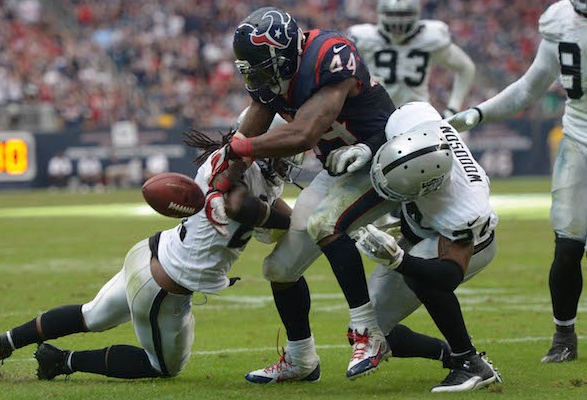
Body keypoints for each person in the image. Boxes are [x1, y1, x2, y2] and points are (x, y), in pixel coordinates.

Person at [0, 127, 298, 382]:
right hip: (163, 288)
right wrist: (299, 220)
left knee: (90, 315)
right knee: (163, 369)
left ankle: (0, 342)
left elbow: (264, 210)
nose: (288, 162)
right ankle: (62, 361)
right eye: (285, 153)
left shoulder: (231, 162)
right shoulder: (240, 185)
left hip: (151, 252)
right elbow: (244, 207)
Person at [207, 7, 398, 382]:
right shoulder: (269, 77)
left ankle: (368, 332)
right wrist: (222, 182)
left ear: (285, 53)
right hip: (338, 169)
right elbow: (253, 125)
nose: (257, 74)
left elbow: (304, 134)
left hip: (383, 159)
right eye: (251, 67)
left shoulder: (330, 55)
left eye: (263, 64)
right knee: (278, 269)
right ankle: (301, 359)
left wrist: (241, 151)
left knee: (325, 223)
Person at [446, 0, 587, 363]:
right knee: (567, 248)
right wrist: (480, 112)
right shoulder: (560, 19)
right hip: (579, 139)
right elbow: (530, 86)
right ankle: (564, 336)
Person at [350, 101, 502, 392]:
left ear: (428, 187)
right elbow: (400, 116)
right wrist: (367, 150)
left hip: (474, 246)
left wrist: (398, 260)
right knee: (366, 333)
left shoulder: (464, 208)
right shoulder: (413, 123)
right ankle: (448, 353)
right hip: (429, 232)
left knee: (420, 274)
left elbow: (449, 275)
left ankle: (469, 362)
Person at [346, 0, 475, 118]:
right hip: (375, 114)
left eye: (404, 14)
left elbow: (465, 68)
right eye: (391, 14)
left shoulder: (429, 38)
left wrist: (453, 108)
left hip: (417, 115)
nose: (397, 21)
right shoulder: (364, 38)